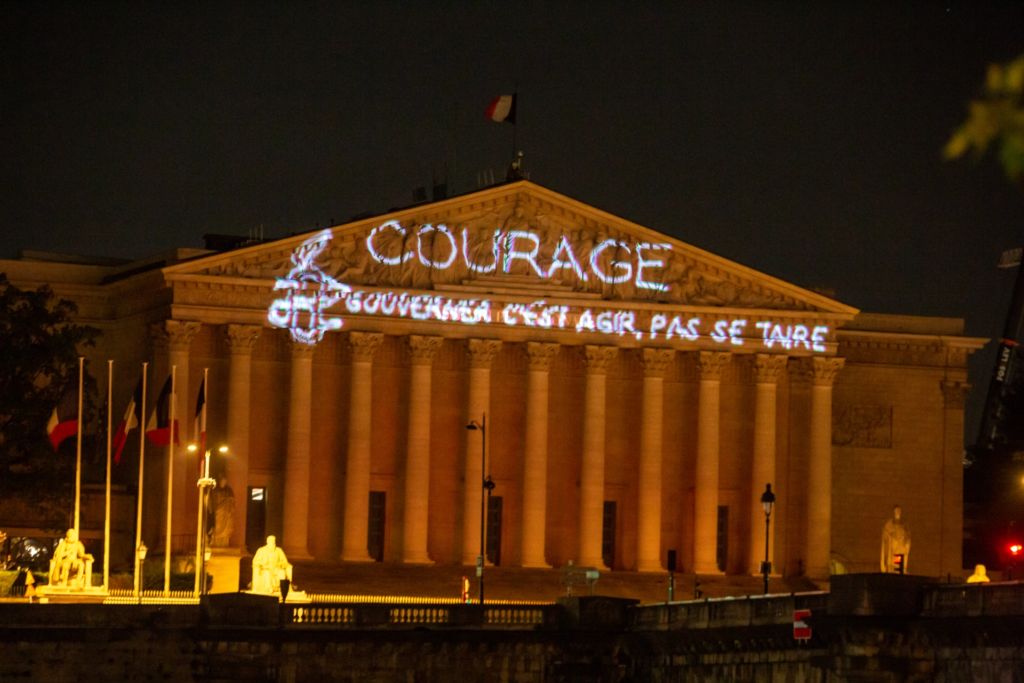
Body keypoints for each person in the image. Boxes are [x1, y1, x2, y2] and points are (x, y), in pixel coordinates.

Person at [880, 505, 911, 573]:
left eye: (899, 511)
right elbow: (885, 535)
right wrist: (891, 536)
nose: (898, 512)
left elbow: (907, 535)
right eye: (896, 511)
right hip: (892, 550)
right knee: (893, 565)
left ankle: (899, 570)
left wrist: (905, 538)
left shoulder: (904, 526)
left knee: (899, 563)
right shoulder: (889, 525)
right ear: (893, 512)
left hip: (900, 549)